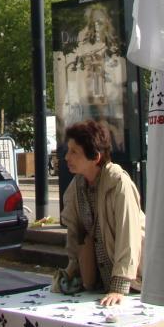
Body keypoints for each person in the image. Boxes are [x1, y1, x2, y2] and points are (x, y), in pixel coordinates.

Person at [59, 119, 144, 307]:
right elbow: (75, 235)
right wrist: (72, 273)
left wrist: (120, 285)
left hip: (135, 283)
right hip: (99, 286)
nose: (67, 157)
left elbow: (129, 235)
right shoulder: (77, 186)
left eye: (74, 152)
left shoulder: (119, 183)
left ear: (95, 157)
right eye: (68, 150)